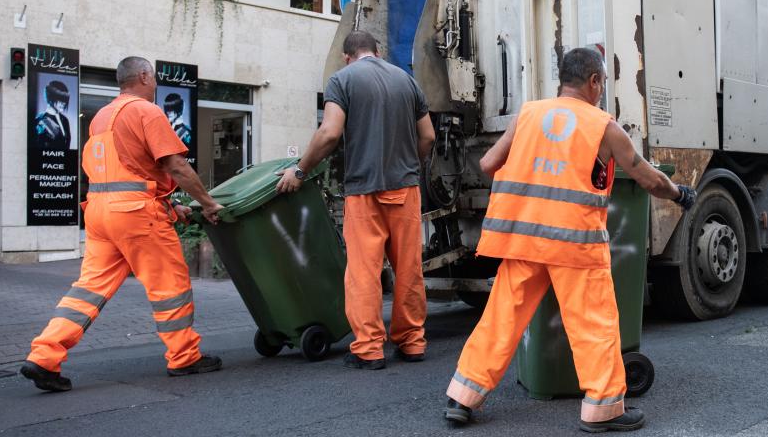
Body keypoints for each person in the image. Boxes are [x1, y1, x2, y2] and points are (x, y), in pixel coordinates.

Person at [443, 47, 696, 433]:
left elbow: (488, 164)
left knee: (501, 319)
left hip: (523, 239)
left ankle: (462, 398)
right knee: (594, 325)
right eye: (602, 84)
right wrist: (679, 193)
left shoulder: (528, 115)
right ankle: (603, 410)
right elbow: (647, 177)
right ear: (594, 81)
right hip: (575, 243)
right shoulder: (602, 127)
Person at [21, 57, 225, 392]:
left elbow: (127, 172)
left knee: (87, 290)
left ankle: (43, 355)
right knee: (169, 286)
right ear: (144, 76)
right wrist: (208, 203)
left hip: (100, 214)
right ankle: (185, 357)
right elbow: (175, 166)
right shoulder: (146, 111)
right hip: (135, 216)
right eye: (155, 77)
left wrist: (170, 204)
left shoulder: (101, 116)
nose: (156, 83)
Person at [277, 30, 436, 369]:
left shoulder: (342, 79)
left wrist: (301, 170)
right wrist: (409, 165)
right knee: (408, 270)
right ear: (377, 52)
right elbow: (428, 136)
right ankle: (412, 343)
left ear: (347, 56)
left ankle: (369, 349)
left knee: (364, 272)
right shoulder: (406, 81)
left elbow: (330, 132)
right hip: (404, 189)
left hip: (364, 191)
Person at [34, 80, 72, 150]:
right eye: (60, 99)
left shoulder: (65, 120)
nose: (63, 103)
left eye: (65, 99)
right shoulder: (40, 120)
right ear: (51, 98)